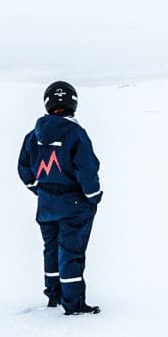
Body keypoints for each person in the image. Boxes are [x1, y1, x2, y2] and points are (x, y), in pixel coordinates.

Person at [17, 81, 102, 315]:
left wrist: (40, 190)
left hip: (46, 205)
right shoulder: (76, 134)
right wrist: (93, 197)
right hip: (74, 205)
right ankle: (73, 304)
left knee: (51, 249)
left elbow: (24, 168)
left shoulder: (33, 136)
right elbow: (87, 169)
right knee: (71, 252)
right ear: (73, 103)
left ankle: (54, 294)